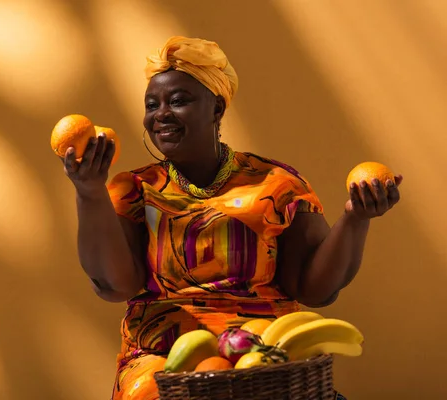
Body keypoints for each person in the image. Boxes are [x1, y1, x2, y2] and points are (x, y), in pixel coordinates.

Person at [60, 36, 402, 400]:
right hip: (162, 359)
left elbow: (315, 289)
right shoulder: (135, 189)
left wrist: (355, 218)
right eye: (151, 104)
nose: (161, 114)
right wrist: (90, 192)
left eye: (178, 101)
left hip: (264, 355)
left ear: (217, 108)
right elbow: (114, 285)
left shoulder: (277, 184)